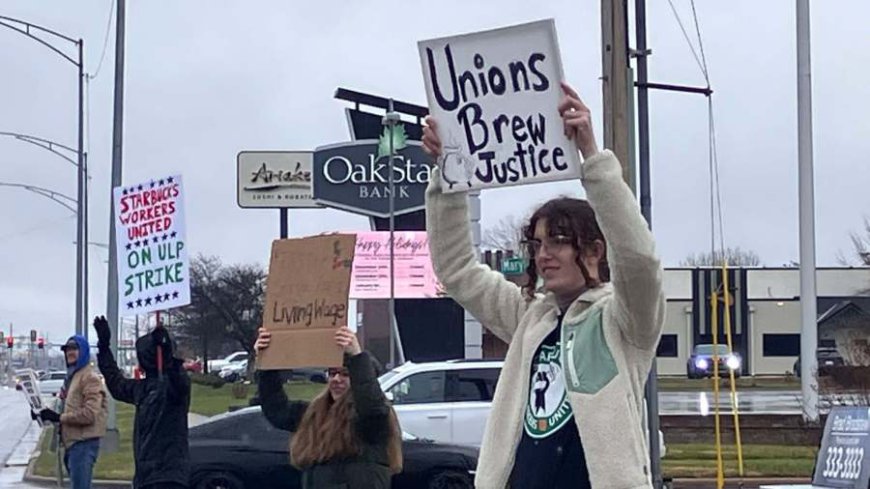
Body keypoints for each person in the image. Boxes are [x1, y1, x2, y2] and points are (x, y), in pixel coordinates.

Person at [421, 82, 665, 488]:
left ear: (594, 249)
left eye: (559, 241)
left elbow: (639, 260)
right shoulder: (529, 317)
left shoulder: (625, 322)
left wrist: (593, 157)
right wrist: (446, 176)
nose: (544, 254)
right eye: (537, 243)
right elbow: (457, 269)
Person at [255, 326, 402, 489]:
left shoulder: (373, 418)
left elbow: (371, 406)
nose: (336, 379)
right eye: (332, 373)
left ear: (361, 377)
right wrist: (267, 363)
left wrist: (357, 357)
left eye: (345, 374)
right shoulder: (315, 413)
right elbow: (277, 410)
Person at [93, 316, 191, 489]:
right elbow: (116, 383)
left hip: (169, 475)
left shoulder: (173, 386)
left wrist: (166, 351)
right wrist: (104, 347)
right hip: (146, 475)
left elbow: (179, 382)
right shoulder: (142, 389)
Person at [34, 335, 107, 489]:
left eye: (74, 349)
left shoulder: (90, 378)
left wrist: (60, 417)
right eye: (67, 350)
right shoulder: (72, 378)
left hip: (84, 443)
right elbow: (65, 408)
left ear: (84, 352)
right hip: (72, 444)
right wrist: (42, 413)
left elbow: (90, 414)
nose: (70, 353)